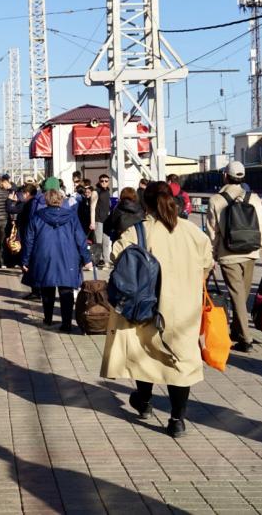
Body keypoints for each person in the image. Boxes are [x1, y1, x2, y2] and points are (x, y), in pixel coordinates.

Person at [101, 181, 214, 438]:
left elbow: (114, 257)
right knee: (181, 362)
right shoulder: (192, 230)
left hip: (147, 306)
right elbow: (207, 264)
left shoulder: (138, 231)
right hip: (185, 308)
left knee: (145, 355)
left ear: (146, 204)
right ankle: (177, 420)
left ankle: (144, 402)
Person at [205, 161, 262, 353]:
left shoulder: (216, 200)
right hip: (250, 252)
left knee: (237, 296)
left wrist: (211, 257)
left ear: (225, 176)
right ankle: (237, 331)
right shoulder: (253, 198)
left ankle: (245, 338)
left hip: (228, 254)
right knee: (240, 296)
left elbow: (213, 233)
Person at [21, 188, 91, 329]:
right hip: (68, 257)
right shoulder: (71, 216)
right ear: (61, 200)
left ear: (46, 201)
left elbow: (29, 240)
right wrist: (87, 258)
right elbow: (80, 239)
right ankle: (66, 323)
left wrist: (25, 261)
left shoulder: (37, 217)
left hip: (44, 256)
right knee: (66, 290)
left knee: (47, 288)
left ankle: (48, 319)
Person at [90, 174, 113, 267]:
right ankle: (98, 260)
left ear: (108, 182)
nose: (104, 182)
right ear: (99, 181)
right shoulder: (96, 192)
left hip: (106, 220)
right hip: (98, 220)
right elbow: (92, 207)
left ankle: (106, 260)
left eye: (106, 181)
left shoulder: (108, 191)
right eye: (102, 181)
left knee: (106, 242)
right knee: (98, 242)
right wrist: (92, 222)